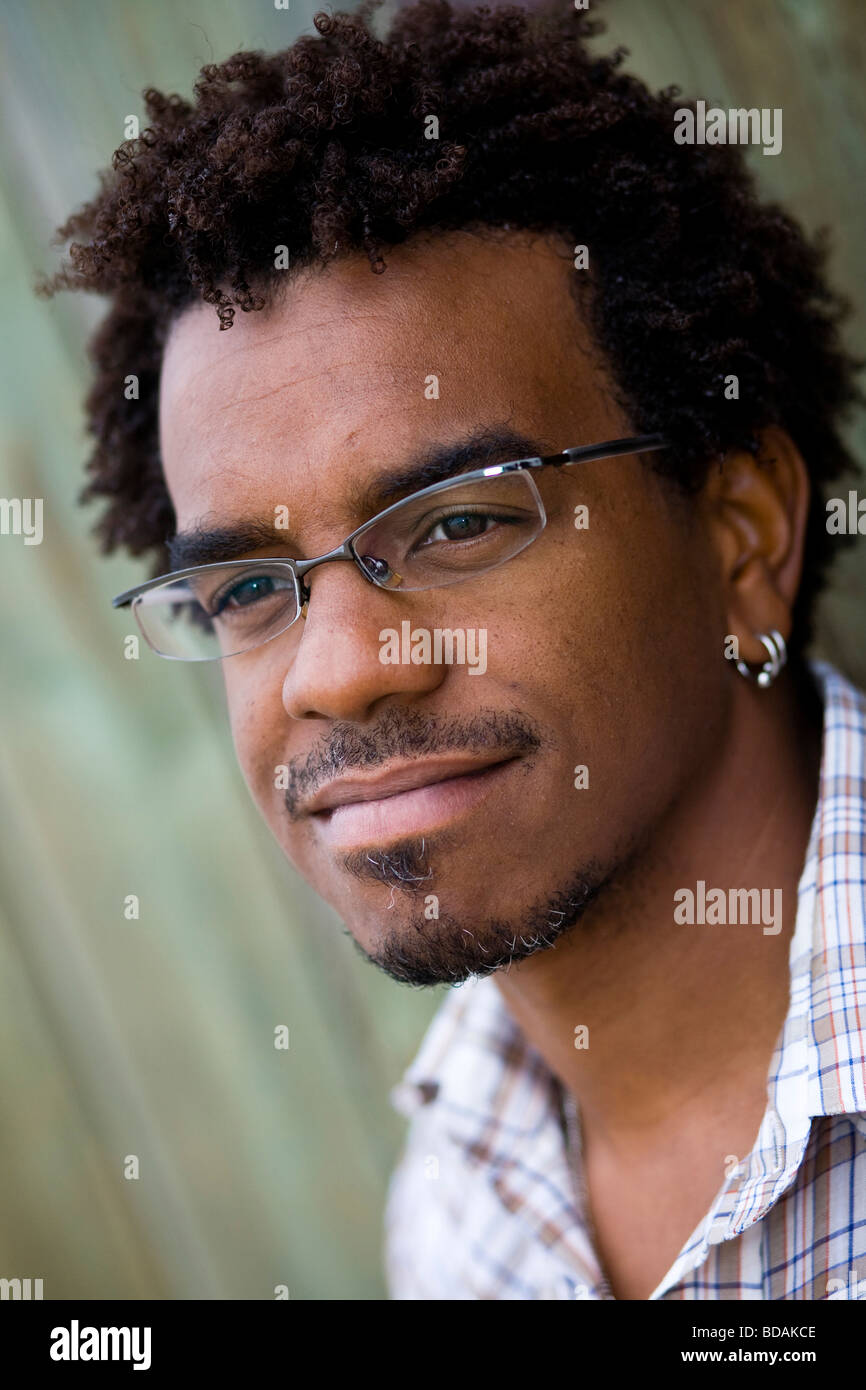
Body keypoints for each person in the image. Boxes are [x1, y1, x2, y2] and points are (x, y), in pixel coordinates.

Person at [40, 0, 865, 1299]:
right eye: (250, 587)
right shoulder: (455, 1208)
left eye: (459, 521)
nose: (335, 670)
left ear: (738, 533)